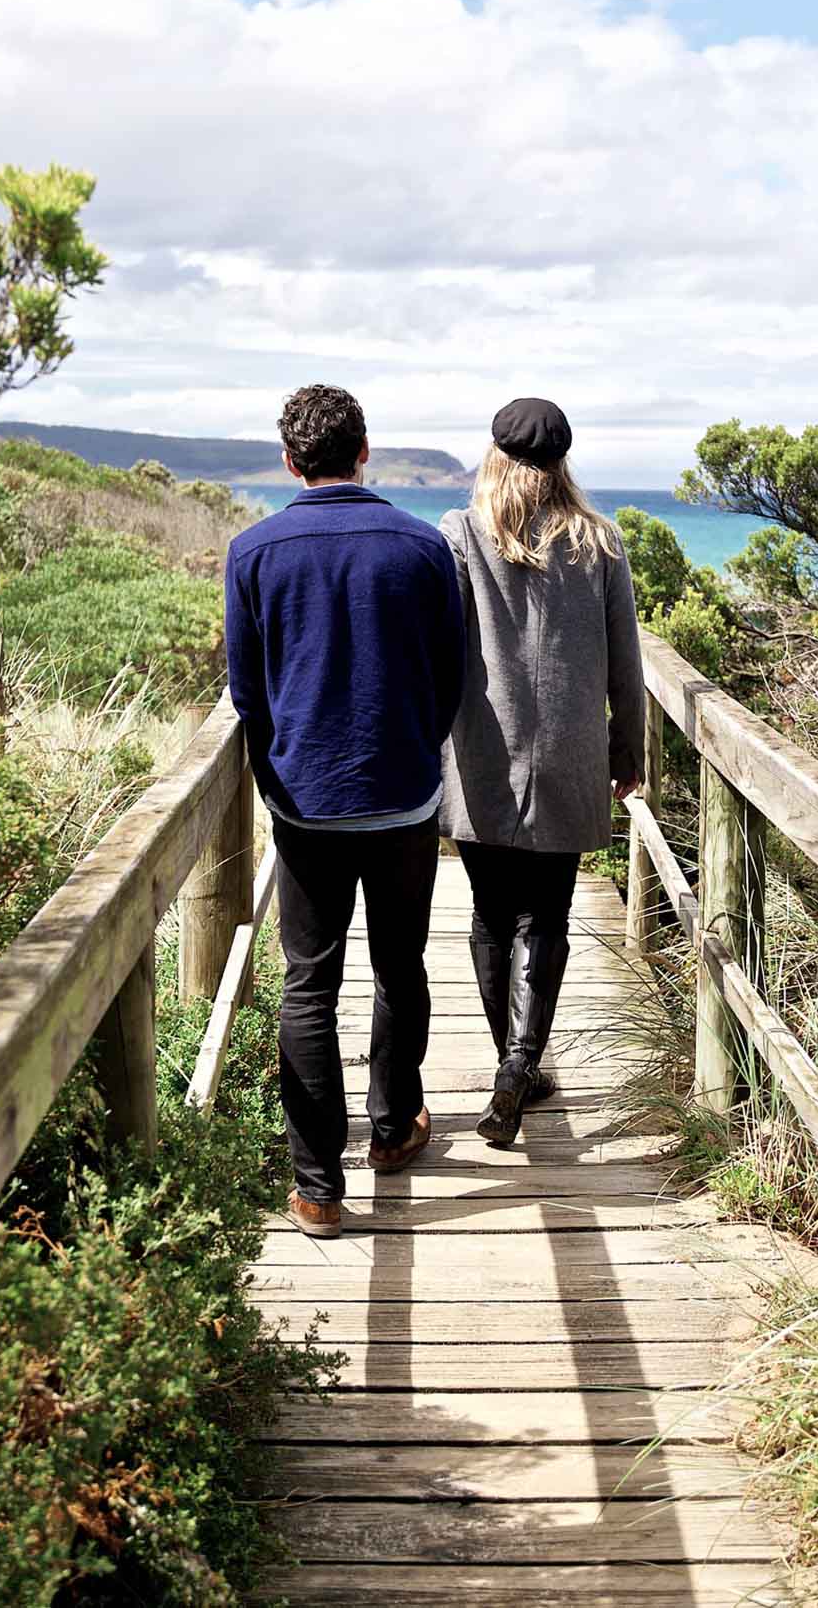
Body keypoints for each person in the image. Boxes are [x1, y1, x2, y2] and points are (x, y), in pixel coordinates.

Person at [225, 383, 466, 1238]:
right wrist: (413, 748)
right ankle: (395, 1130)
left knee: (309, 983)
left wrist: (277, 774)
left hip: (305, 803)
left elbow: (247, 691)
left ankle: (318, 1188)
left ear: (291, 461)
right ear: (365, 451)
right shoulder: (424, 548)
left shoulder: (252, 551)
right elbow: (452, 677)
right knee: (401, 967)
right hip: (403, 797)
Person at [439, 397, 644, 1146]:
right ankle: (519, 1066)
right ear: (562, 464)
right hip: (568, 753)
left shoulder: (458, 535)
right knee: (547, 916)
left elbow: (437, 652)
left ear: (494, 457)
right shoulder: (601, 542)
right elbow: (627, 663)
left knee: (492, 917)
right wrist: (628, 754)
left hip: (480, 753)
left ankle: (512, 1065)